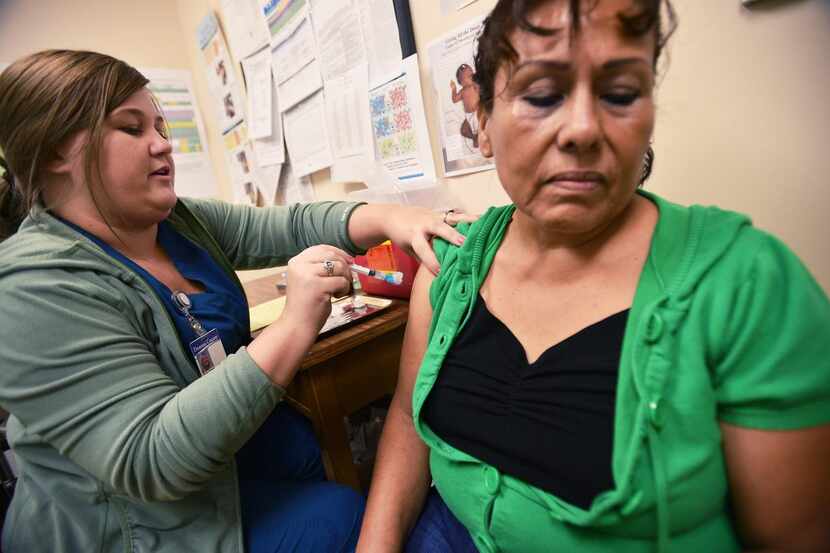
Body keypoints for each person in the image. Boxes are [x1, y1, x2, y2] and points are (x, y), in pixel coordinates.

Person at [357, 1, 830, 552]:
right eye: (541, 95)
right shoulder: (452, 261)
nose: (583, 128)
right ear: (482, 122)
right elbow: (406, 421)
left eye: (621, 94)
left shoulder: (747, 286)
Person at [0, 49, 474, 553]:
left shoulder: (174, 222)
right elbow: (152, 461)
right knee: (341, 518)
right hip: (137, 522)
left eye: (161, 127)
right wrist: (293, 327)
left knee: (303, 449)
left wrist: (387, 218)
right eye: (133, 128)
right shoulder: (29, 289)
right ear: (55, 151)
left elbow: (286, 225)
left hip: (221, 460)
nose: (163, 145)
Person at [450, 64, 481, 148]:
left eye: (471, 75)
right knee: (463, 130)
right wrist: (454, 89)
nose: (471, 77)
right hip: (469, 116)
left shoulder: (475, 86)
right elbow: (454, 99)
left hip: (479, 112)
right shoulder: (462, 91)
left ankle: (480, 135)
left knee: (484, 123)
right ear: (461, 82)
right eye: (468, 76)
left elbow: (482, 91)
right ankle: (474, 137)